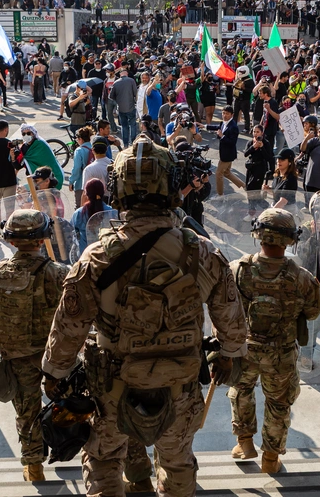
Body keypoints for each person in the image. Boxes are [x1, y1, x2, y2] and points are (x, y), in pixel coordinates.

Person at [41, 135, 248, 497]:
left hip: (113, 389)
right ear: (171, 186)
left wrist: (55, 373)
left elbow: (69, 327)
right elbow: (232, 322)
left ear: (117, 189)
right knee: (178, 462)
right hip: (179, 386)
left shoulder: (97, 257)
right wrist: (229, 356)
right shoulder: (202, 251)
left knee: (104, 463)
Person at [228, 208, 320, 472]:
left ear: (258, 235)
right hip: (281, 354)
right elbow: (313, 311)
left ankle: (244, 443)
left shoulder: (238, 270)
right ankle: (270, 458)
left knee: (240, 392)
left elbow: (224, 309)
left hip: (245, 348)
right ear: (290, 239)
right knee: (279, 403)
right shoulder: (301, 277)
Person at [0, 209, 69, 481]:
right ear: (43, 238)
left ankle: (34, 468)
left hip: (17, 357)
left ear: (10, 240)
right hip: (54, 356)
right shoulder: (58, 273)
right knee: (69, 405)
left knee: (26, 411)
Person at [71, 178, 113, 252]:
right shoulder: (112, 212)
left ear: (86, 194)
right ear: (103, 192)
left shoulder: (79, 213)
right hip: (107, 256)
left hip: (84, 257)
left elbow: (71, 232)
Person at [109, 67, 138, 145]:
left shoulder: (116, 83)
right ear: (127, 74)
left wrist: (118, 100)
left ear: (120, 74)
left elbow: (111, 96)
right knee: (133, 125)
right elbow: (136, 93)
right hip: (131, 106)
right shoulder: (131, 81)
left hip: (121, 108)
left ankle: (125, 144)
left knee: (124, 126)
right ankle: (133, 142)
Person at [68, 125, 95, 208]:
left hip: (81, 184)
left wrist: (71, 181)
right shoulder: (94, 148)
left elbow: (76, 169)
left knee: (80, 208)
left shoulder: (79, 150)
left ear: (80, 139)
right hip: (94, 183)